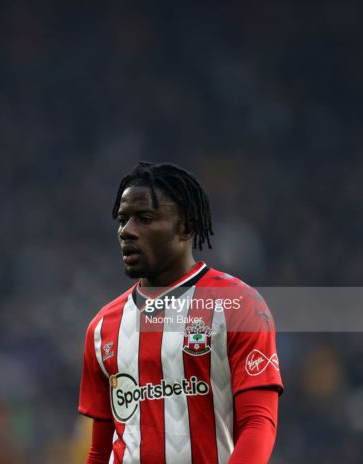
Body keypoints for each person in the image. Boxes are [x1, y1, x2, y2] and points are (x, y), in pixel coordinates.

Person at [78, 162, 283, 463]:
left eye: (144, 218)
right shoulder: (101, 329)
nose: (127, 231)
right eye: (123, 220)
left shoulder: (237, 305)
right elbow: (100, 449)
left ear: (185, 227)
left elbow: (258, 423)